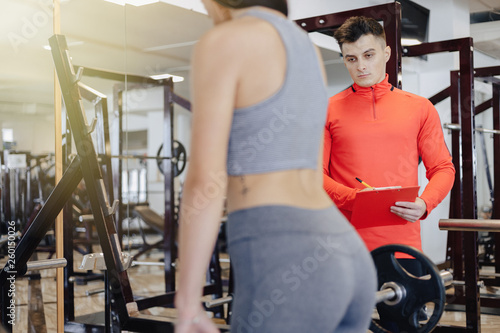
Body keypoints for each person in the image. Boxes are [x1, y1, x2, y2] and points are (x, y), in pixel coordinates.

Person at [174, 1, 377, 332]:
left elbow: (204, 182)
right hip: (346, 253)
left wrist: (187, 304)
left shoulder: (225, 40)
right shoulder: (306, 48)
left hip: (286, 254)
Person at [323, 16, 455, 331]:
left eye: (368, 55)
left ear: (387, 52)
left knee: (403, 328)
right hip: (345, 246)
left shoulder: (420, 108)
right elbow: (313, 176)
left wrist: (425, 203)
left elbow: (443, 168)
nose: (361, 66)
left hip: (402, 248)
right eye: (351, 59)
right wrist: (354, 199)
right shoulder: (327, 110)